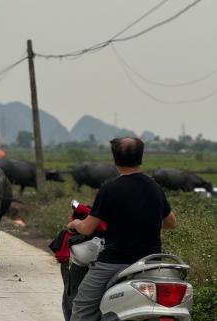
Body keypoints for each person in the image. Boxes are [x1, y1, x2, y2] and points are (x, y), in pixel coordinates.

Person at [66, 137, 177, 321]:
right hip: (150, 263)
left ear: (115, 160)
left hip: (114, 263)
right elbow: (171, 223)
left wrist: (74, 224)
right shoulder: (154, 187)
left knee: (83, 304)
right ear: (140, 158)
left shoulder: (109, 190)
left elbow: (87, 228)